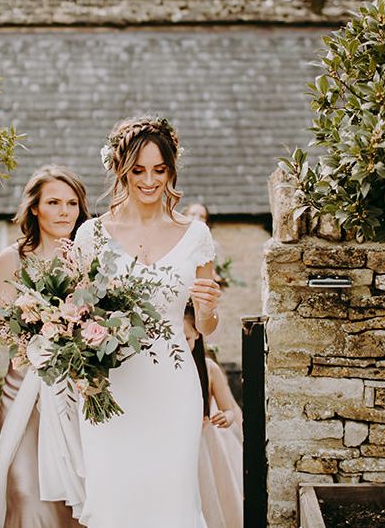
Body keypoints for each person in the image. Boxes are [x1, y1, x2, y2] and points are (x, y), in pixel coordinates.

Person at [73, 116, 221, 527]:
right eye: (138, 170)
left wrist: (207, 308)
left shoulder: (196, 235)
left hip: (173, 388)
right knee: (115, 498)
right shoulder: (92, 236)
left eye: (159, 170)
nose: (149, 180)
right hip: (112, 389)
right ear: (120, 170)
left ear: (171, 171)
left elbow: (206, 326)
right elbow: (76, 314)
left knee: (171, 498)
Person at [0, 165, 90, 528]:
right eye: (54, 202)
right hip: (24, 391)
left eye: (72, 203)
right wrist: (38, 332)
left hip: (77, 390)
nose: (65, 211)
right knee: (26, 488)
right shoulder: (10, 259)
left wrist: (72, 335)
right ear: (35, 208)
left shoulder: (87, 258)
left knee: (78, 491)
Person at [184, 307, 243, 528]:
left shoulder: (209, 369)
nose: (182, 345)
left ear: (197, 334)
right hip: (177, 444)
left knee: (212, 496)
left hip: (206, 444)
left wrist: (226, 417)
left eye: (187, 338)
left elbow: (229, 408)